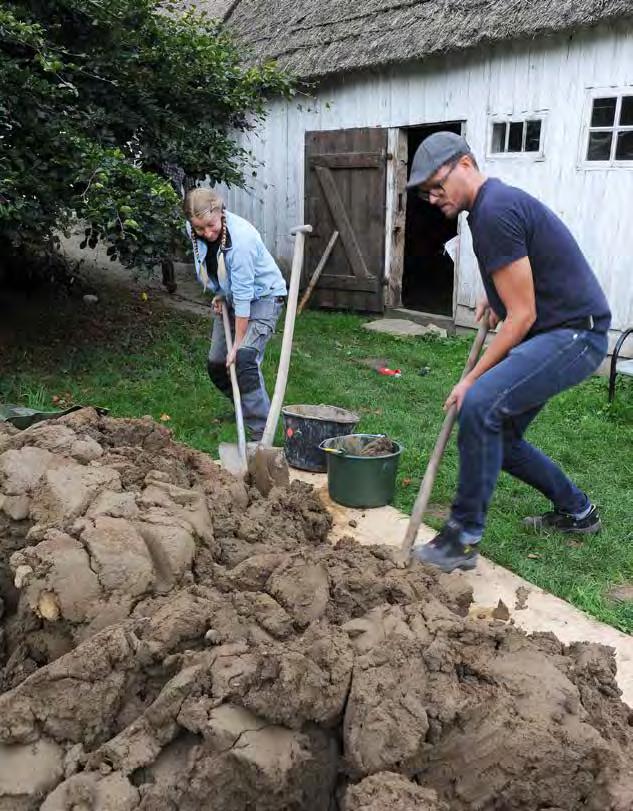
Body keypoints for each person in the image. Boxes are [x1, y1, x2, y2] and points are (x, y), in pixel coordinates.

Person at [406, 132, 611, 573]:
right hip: (558, 331)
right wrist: (492, 296)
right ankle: (578, 512)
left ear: (464, 164)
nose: (432, 197)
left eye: (436, 185)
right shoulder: (486, 209)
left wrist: (471, 378)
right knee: (501, 437)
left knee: (479, 403)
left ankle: (460, 539)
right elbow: (520, 272)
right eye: (425, 192)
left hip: (575, 334)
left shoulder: (493, 210)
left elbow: (521, 317)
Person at [184, 188, 287, 441]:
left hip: (264, 297)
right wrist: (219, 292)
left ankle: (259, 434)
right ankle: (245, 407)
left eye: (211, 225)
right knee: (218, 365)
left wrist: (239, 344)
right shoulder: (193, 230)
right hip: (232, 296)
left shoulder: (241, 241)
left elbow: (244, 297)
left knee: (243, 359)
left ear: (221, 212)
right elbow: (210, 263)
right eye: (199, 229)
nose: (207, 233)